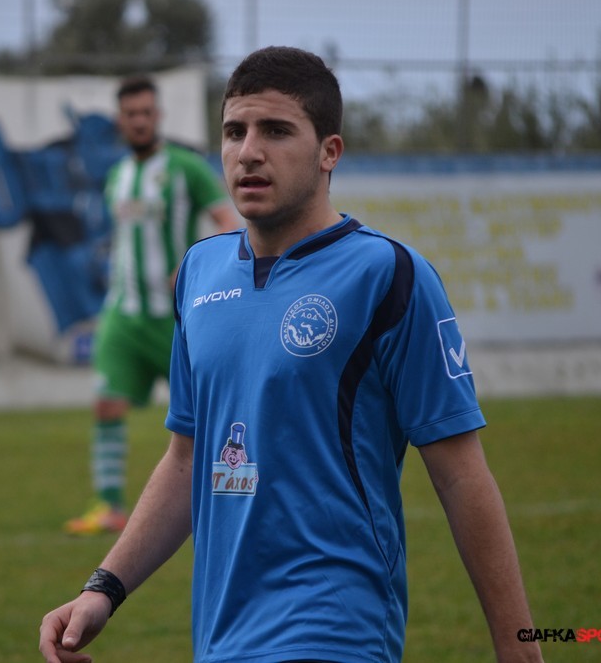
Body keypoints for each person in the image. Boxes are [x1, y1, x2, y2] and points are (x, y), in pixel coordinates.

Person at [40, 47, 543, 662]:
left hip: (335, 631)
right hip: (221, 637)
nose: (249, 151)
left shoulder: (387, 275)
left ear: (330, 151)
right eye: (234, 132)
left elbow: (460, 473)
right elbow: (187, 459)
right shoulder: (199, 273)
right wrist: (103, 589)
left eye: (276, 131)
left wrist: (520, 646)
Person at [63, 75, 238, 535]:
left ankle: (232, 497)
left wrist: (196, 265)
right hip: (122, 314)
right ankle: (109, 506)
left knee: (209, 417)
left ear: (157, 116)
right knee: (106, 403)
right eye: (131, 114)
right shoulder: (116, 177)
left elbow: (228, 223)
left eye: (146, 112)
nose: (139, 121)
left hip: (175, 320)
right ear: (120, 121)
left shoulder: (186, 168)